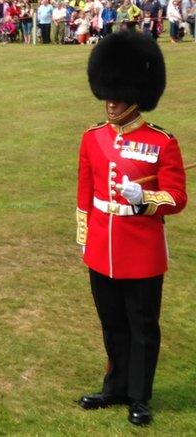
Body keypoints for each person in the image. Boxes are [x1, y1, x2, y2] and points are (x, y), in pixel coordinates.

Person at [76, 32, 187, 427]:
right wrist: (85, 238)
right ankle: (115, 386)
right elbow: (85, 191)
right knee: (112, 323)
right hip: (102, 247)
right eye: (107, 94)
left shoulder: (161, 143)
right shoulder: (92, 138)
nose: (110, 102)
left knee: (142, 327)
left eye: (118, 97)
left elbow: (176, 198)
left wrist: (144, 197)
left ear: (136, 95)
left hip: (141, 249)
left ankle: (139, 396)